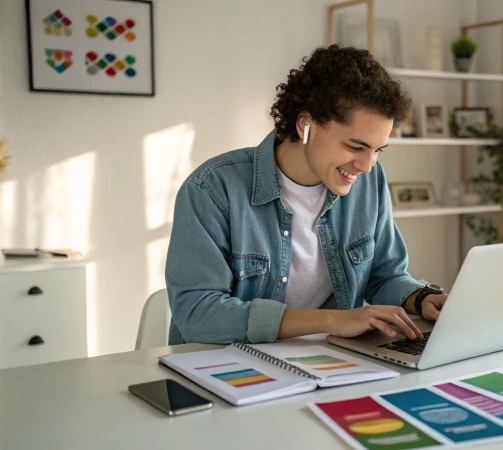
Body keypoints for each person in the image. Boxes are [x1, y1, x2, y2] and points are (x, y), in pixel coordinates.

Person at [165, 45, 447, 346]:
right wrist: (333, 321)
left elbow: (385, 275)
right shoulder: (212, 190)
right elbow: (198, 315)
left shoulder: (368, 181)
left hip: (325, 363)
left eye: (377, 150)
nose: (366, 166)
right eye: (355, 147)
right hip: (223, 368)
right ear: (306, 125)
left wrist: (421, 298)